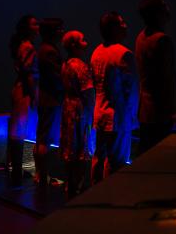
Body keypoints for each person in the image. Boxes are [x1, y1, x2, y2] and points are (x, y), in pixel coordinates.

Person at [91, 12, 138, 183]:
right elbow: (131, 90)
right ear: (113, 28)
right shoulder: (124, 54)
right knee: (116, 161)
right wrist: (132, 116)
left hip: (100, 113)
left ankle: (92, 194)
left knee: (99, 155)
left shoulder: (97, 51)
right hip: (117, 117)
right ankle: (108, 198)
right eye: (121, 23)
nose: (125, 25)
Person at [135, 0, 176, 155]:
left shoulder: (141, 37)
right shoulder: (162, 40)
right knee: (160, 156)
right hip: (161, 112)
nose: (168, 9)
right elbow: (167, 79)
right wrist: (174, 111)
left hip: (145, 110)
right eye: (164, 6)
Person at [60, 30, 95, 198]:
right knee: (82, 148)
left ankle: (69, 184)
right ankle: (78, 188)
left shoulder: (65, 65)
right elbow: (88, 92)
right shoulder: (80, 66)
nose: (85, 42)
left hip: (68, 108)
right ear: (74, 45)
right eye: (82, 40)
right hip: (80, 111)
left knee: (70, 148)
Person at [7, 15, 40, 187]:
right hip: (25, 92)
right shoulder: (27, 47)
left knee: (19, 132)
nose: (38, 25)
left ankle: (18, 172)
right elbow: (29, 74)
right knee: (19, 132)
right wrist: (34, 96)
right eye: (35, 23)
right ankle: (18, 175)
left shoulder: (23, 46)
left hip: (21, 90)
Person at [33, 17, 65, 186]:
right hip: (50, 99)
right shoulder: (49, 51)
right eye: (59, 28)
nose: (62, 31)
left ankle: (40, 174)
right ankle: (42, 175)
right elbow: (56, 77)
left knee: (41, 135)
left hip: (45, 98)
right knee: (45, 137)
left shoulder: (44, 49)